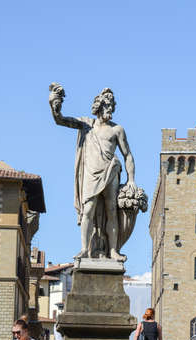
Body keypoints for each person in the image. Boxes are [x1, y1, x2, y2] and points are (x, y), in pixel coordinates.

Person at [49, 84, 136, 261]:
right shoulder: (86, 125)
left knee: (111, 211)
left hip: (110, 171)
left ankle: (113, 250)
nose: (110, 109)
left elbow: (128, 155)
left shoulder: (117, 129)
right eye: (107, 106)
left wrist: (131, 180)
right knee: (87, 210)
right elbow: (60, 120)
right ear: (99, 106)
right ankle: (84, 249)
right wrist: (54, 105)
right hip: (91, 173)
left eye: (112, 106)